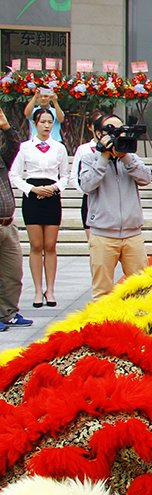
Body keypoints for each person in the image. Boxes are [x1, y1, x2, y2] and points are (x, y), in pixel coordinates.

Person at [77, 114, 152, 298]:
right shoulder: (89, 159)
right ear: (97, 133)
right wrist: (103, 157)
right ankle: (104, 326)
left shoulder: (130, 158)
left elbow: (146, 178)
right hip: (103, 234)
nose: (117, 135)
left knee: (143, 289)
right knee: (102, 291)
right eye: (111, 130)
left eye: (120, 130)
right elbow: (87, 185)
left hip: (132, 234)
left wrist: (126, 158)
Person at [9, 108, 68, 308]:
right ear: (35, 123)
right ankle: (36, 290)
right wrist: (32, 189)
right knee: (36, 246)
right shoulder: (25, 147)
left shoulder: (59, 147)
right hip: (33, 197)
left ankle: (50, 290)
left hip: (51, 196)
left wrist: (53, 188)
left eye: (49, 122)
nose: (46, 125)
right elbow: (14, 174)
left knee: (50, 245)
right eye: (42, 122)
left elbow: (65, 175)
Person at [0, 107, 33, 331]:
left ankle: (8, 313)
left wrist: (5, 126)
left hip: (7, 223)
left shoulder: (2, 157)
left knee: (13, 273)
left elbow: (15, 146)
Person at [69, 110, 107, 238]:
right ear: (91, 127)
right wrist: (85, 190)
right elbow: (74, 176)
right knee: (93, 244)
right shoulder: (83, 149)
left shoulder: (116, 148)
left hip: (108, 198)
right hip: (89, 198)